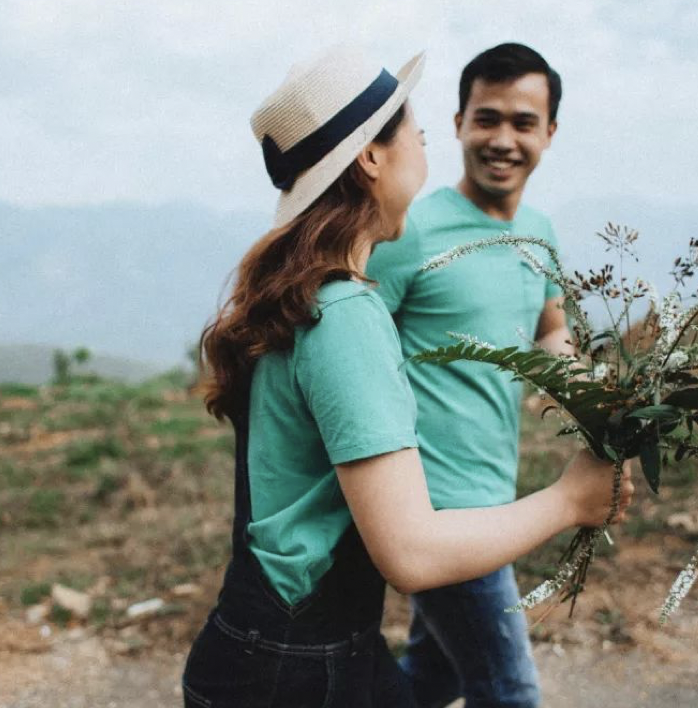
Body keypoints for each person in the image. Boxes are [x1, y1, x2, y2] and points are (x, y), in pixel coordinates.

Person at [182, 46, 631, 707]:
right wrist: (570, 501)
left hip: (301, 648)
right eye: (416, 133)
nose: (425, 149)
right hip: (293, 669)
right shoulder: (346, 314)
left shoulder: (317, 297)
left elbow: (547, 330)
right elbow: (412, 554)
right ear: (372, 157)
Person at [365, 43, 571, 708]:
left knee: (434, 677)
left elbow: (549, 329)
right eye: (487, 119)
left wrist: (598, 398)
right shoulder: (411, 231)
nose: (503, 139)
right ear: (457, 124)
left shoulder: (539, 234)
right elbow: (355, 346)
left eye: (522, 121)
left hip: (494, 505)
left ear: (549, 133)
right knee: (509, 693)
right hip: (435, 512)